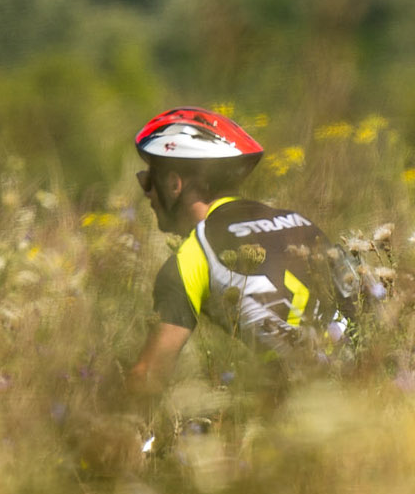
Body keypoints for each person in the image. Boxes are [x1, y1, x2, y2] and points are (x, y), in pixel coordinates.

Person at [125, 106, 357, 390]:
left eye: (148, 180)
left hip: (308, 400)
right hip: (370, 382)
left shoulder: (195, 253)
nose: (147, 192)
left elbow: (149, 376)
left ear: (174, 184)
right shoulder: (300, 222)